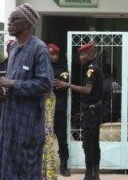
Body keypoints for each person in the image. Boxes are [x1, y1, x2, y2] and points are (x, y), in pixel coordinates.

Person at [0, 3, 53, 180]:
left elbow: (45, 84)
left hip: (27, 126)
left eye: (13, 20)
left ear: (26, 23)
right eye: (9, 20)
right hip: (8, 123)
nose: (9, 23)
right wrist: (3, 92)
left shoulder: (38, 49)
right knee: (2, 165)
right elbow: (9, 84)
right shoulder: (14, 49)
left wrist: (13, 84)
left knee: (25, 170)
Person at [54, 43, 103, 180]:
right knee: (94, 143)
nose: (81, 57)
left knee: (88, 143)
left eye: (83, 54)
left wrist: (68, 85)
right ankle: (95, 174)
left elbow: (87, 90)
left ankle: (89, 175)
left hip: (91, 111)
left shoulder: (91, 69)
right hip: (94, 110)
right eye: (80, 54)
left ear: (90, 53)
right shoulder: (93, 67)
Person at [49, 43, 71, 177]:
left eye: (56, 54)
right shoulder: (40, 67)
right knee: (42, 138)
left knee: (62, 138)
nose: (53, 56)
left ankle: (64, 165)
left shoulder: (62, 69)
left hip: (58, 109)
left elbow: (59, 84)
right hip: (43, 109)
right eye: (51, 54)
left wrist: (44, 84)